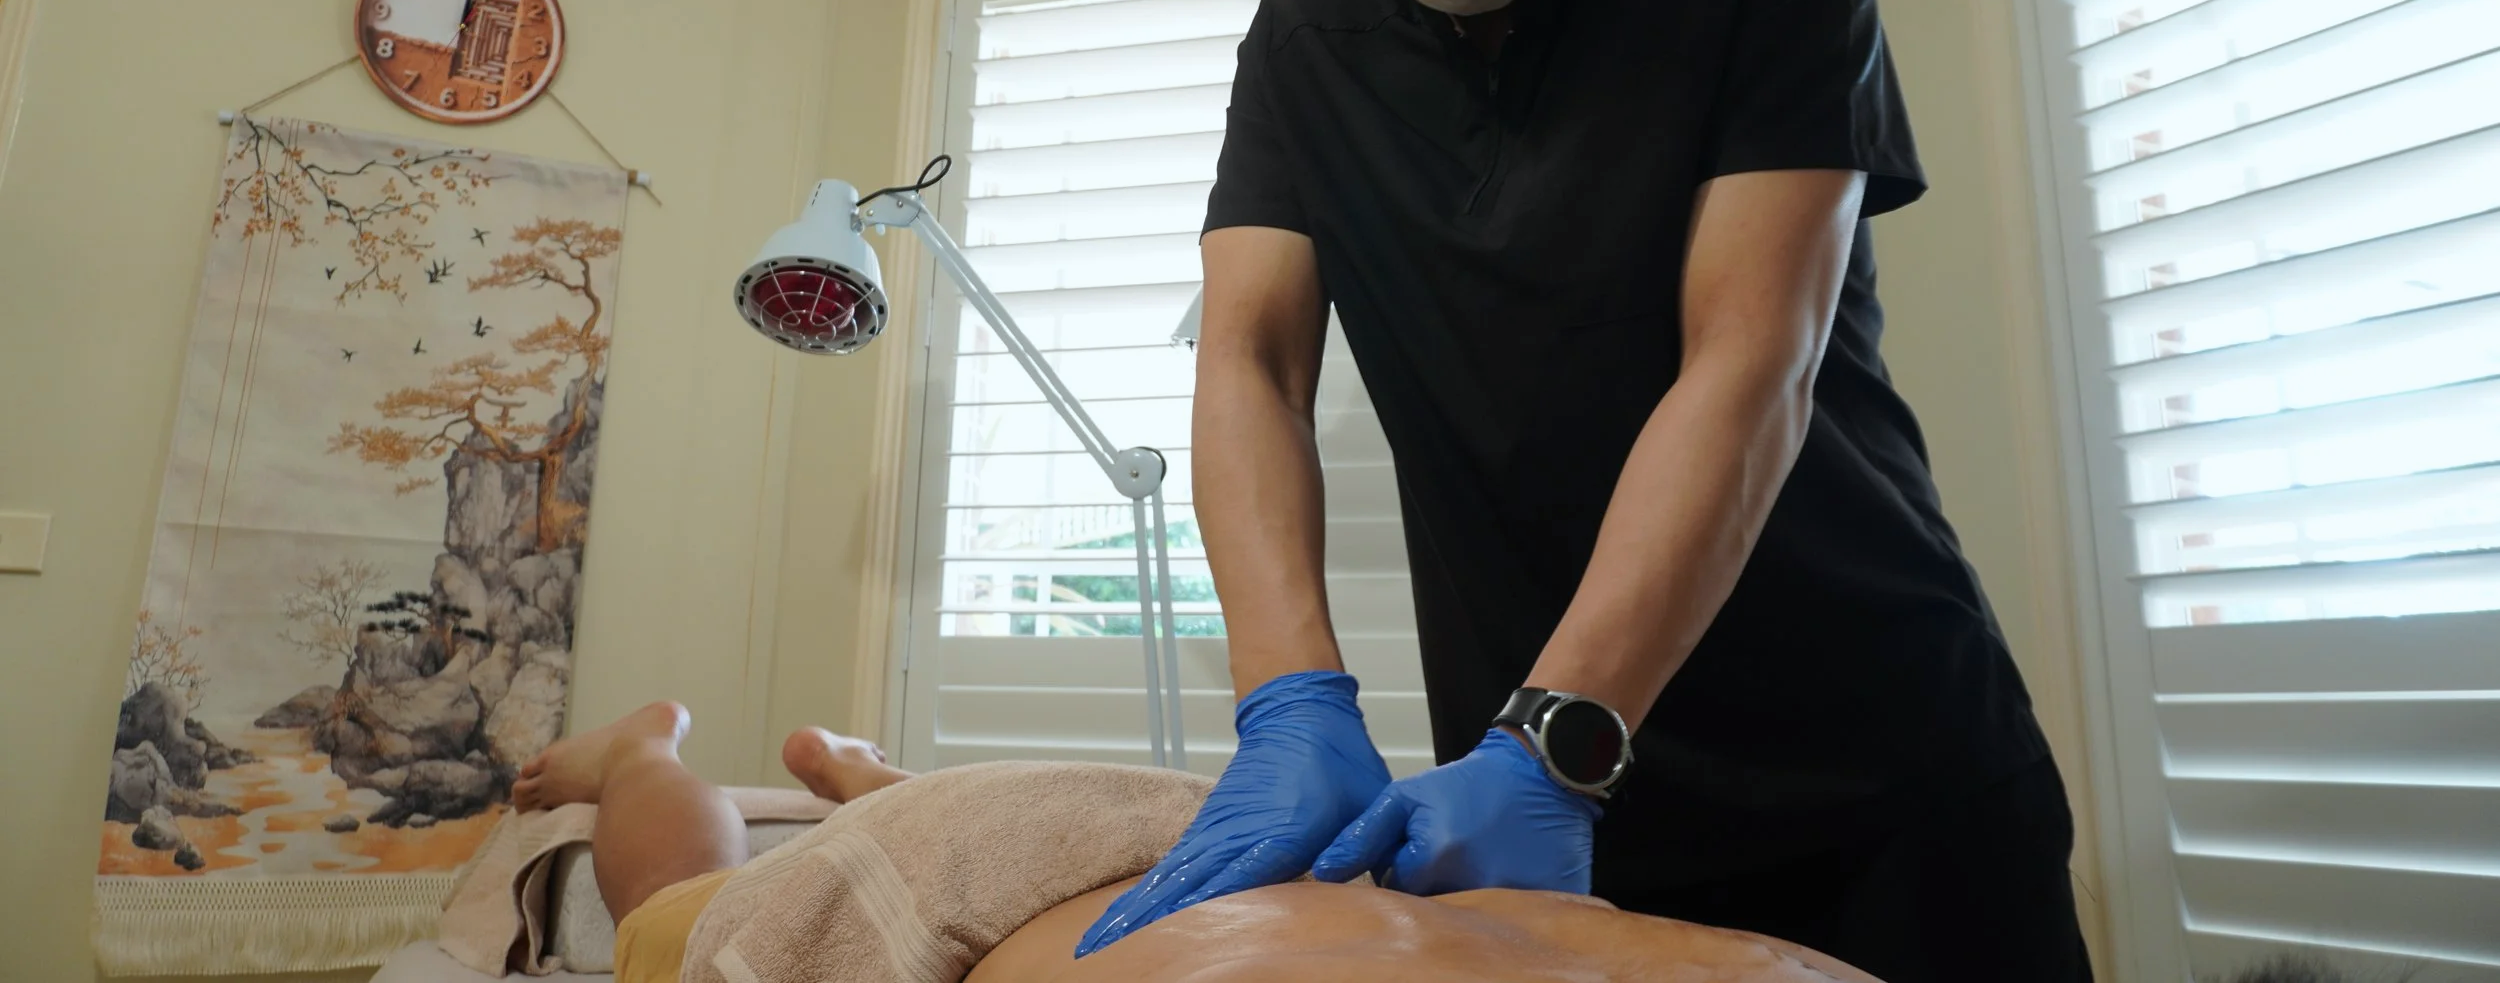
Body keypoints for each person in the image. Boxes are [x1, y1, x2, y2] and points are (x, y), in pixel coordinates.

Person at [1074, 0, 2093, 981]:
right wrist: (1289, 695)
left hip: (1870, 760)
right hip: (1535, 802)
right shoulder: (1307, 46)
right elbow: (1249, 357)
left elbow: (1751, 358)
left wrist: (1561, 739)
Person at [510, 700, 1887, 983]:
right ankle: (645, 750)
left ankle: (880, 780)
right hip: (1028, 876)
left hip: (1169, 832)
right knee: (682, 910)